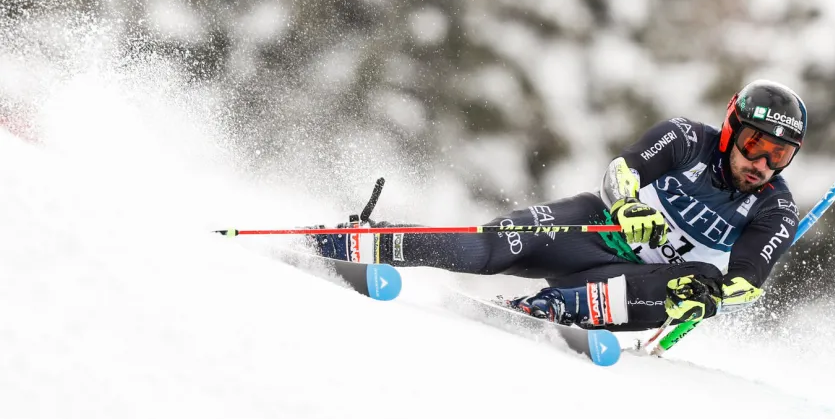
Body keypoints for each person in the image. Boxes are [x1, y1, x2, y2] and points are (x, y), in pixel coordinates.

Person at [311, 79, 806, 332]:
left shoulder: (776, 210)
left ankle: (549, 309)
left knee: (693, 276)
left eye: (779, 154)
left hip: (644, 287)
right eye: (756, 143)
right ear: (730, 128)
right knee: (484, 249)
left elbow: (747, 283)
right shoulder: (685, 139)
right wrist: (628, 207)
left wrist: (714, 294)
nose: (762, 163)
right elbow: (621, 172)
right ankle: (367, 240)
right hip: (595, 232)